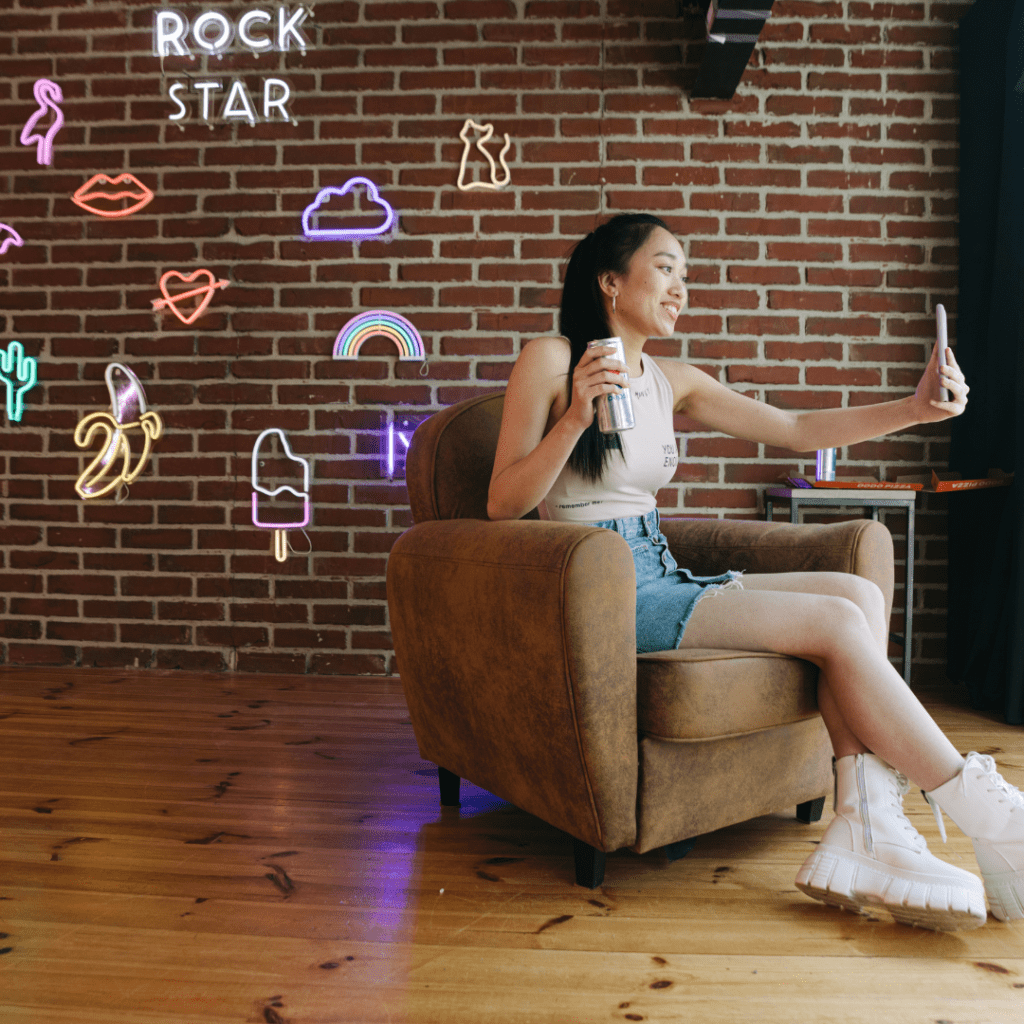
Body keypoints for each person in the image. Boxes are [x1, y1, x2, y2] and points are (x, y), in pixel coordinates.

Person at [487, 212, 1024, 932]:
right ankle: (976, 805)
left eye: (685, 272)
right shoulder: (550, 359)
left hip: (656, 566)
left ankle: (866, 821)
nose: (682, 286)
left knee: (856, 594)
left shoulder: (672, 379)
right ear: (610, 282)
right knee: (835, 621)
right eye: (667, 267)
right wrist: (575, 418)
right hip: (598, 588)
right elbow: (500, 504)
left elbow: (797, 430)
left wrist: (917, 409)